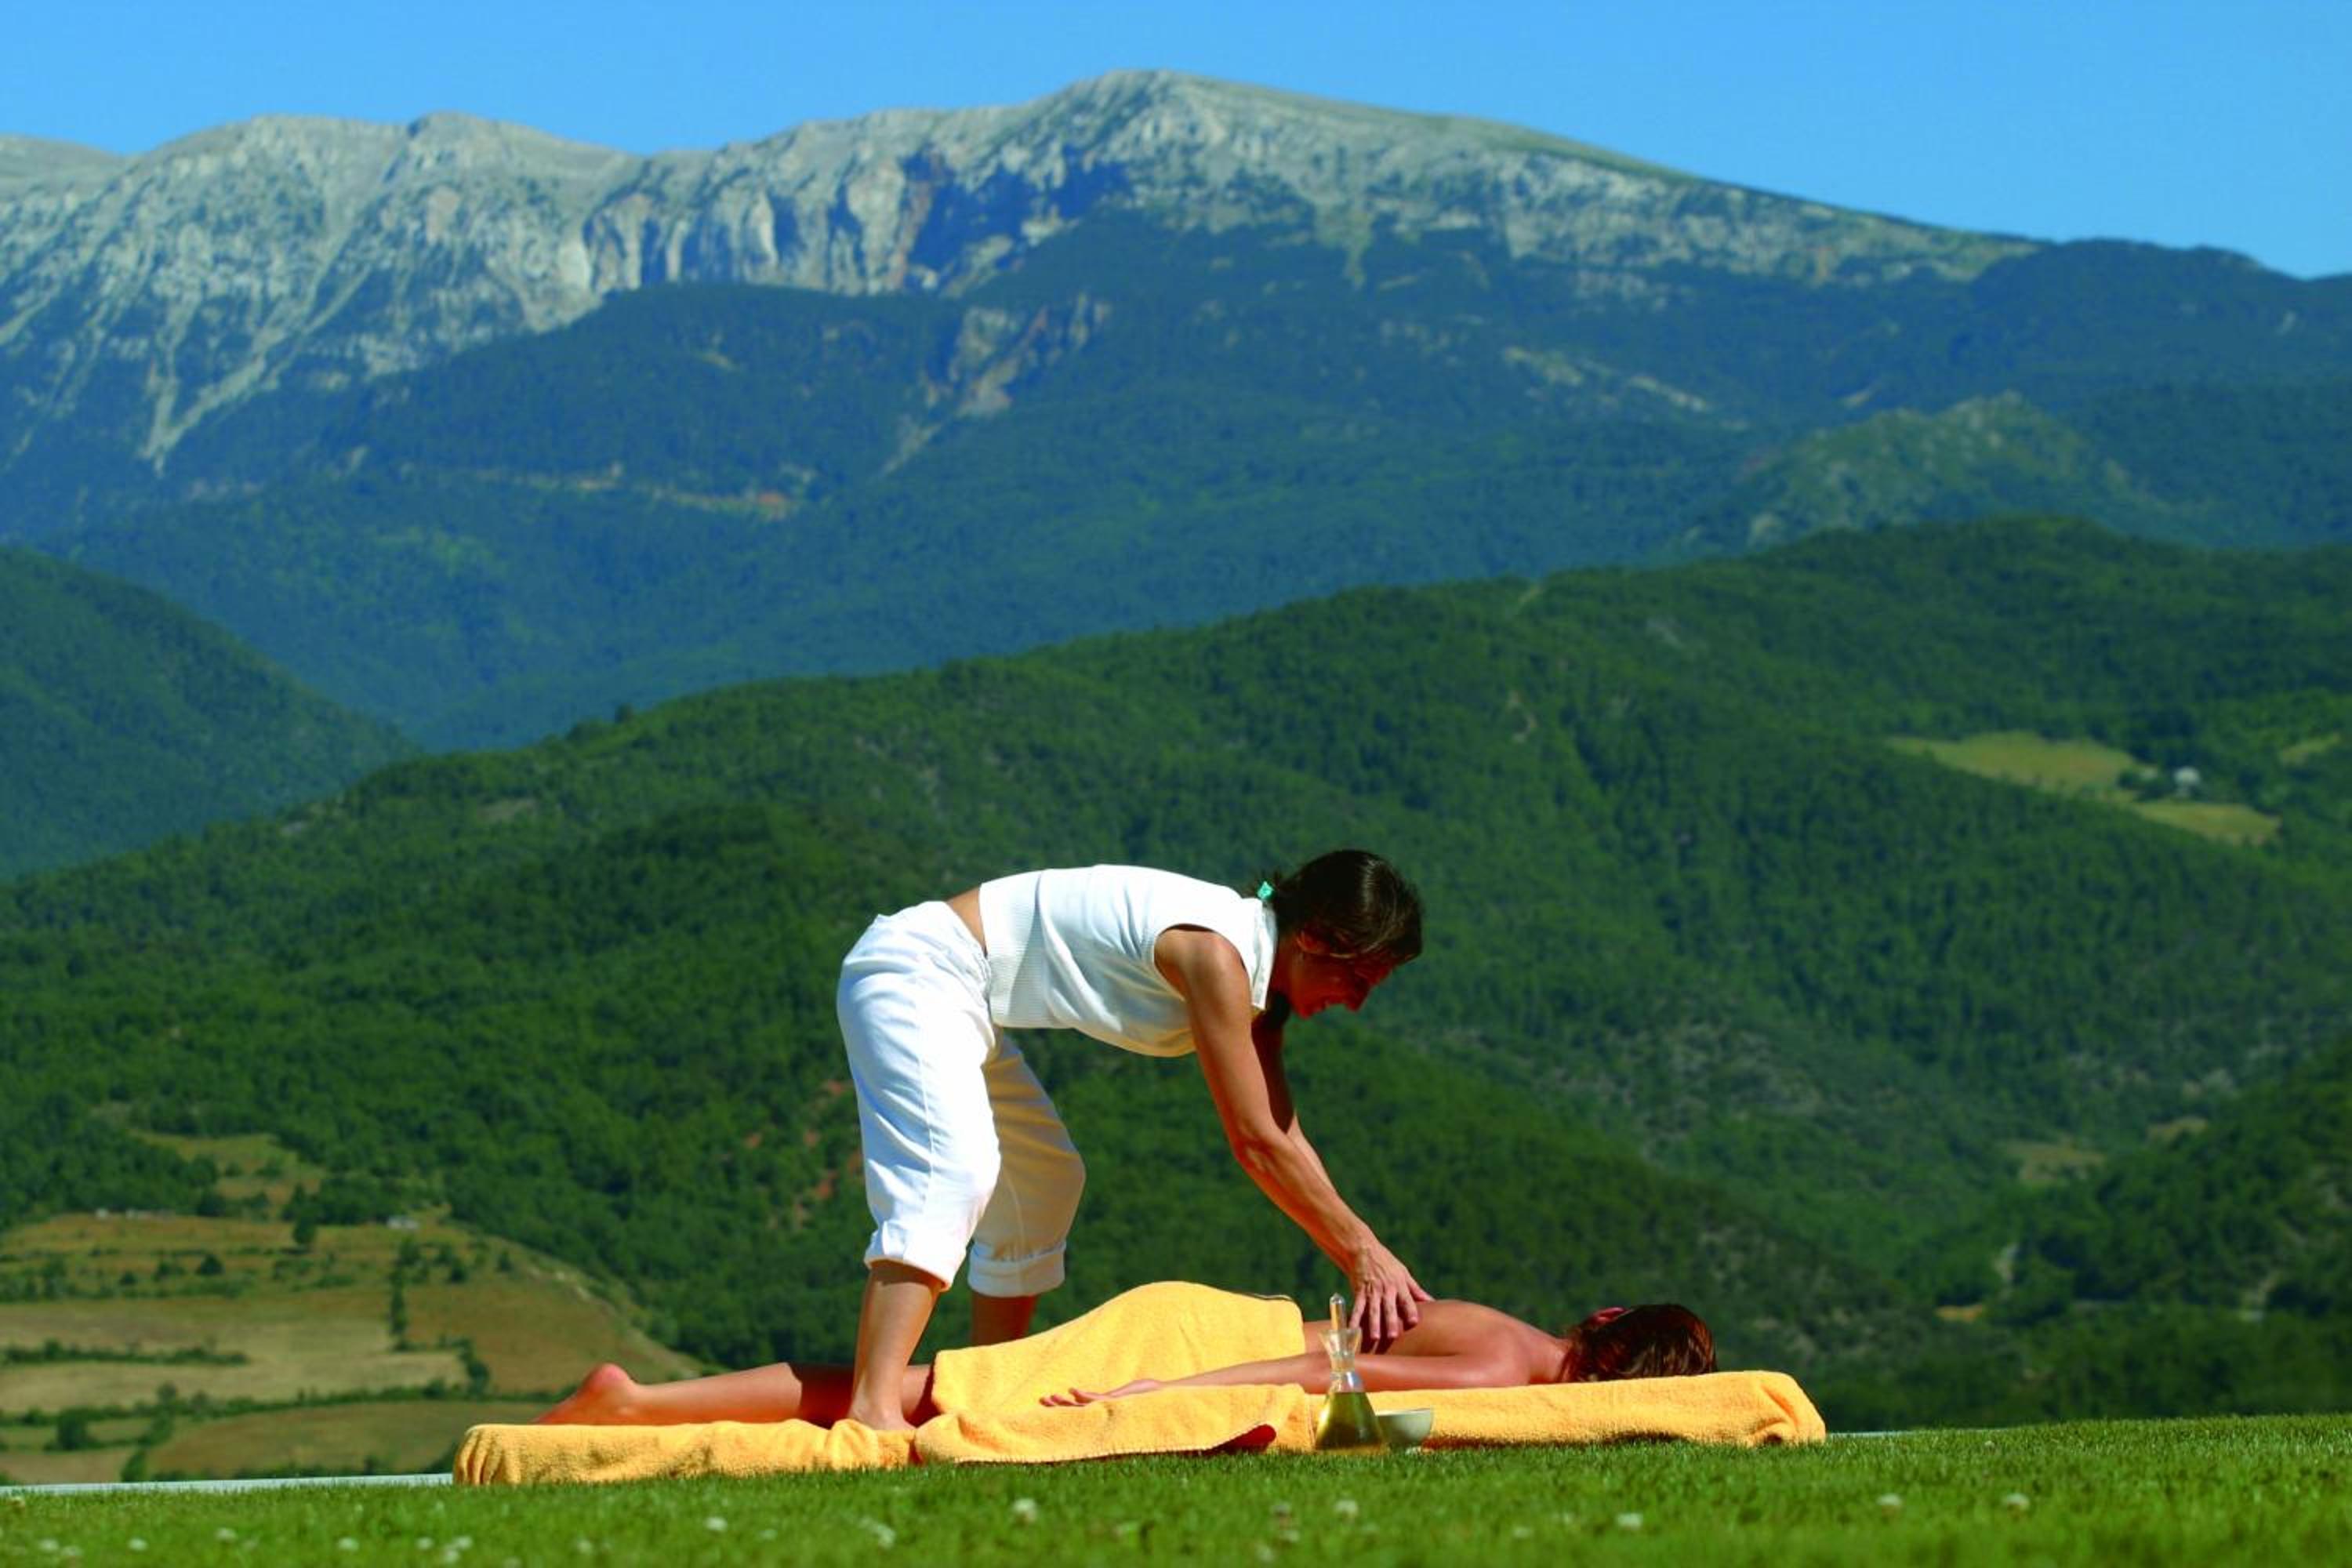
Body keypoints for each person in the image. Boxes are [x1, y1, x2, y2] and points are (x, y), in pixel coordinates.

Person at [836, 850, 1430, 1430]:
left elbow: (1283, 1136)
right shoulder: (1216, 953)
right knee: (953, 1177)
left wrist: (1370, 1253)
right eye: (1357, 978)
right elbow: (1255, 1143)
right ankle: (874, 1408)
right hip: (918, 970)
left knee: (1042, 1185)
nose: (1357, 1003)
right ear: (1315, 938)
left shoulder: (1260, 994)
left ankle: (983, 1390)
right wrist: (1360, 1254)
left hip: (966, 998)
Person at [533, 1292, 1716, 1427]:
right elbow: (1332, 1377)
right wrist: (1159, 1394)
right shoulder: (1501, 1373)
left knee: (926, 1388)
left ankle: (645, 1400)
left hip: (1217, 1324)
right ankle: (635, 1403)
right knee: (934, 1391)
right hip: (1203, 1348)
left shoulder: (1512, 1333)